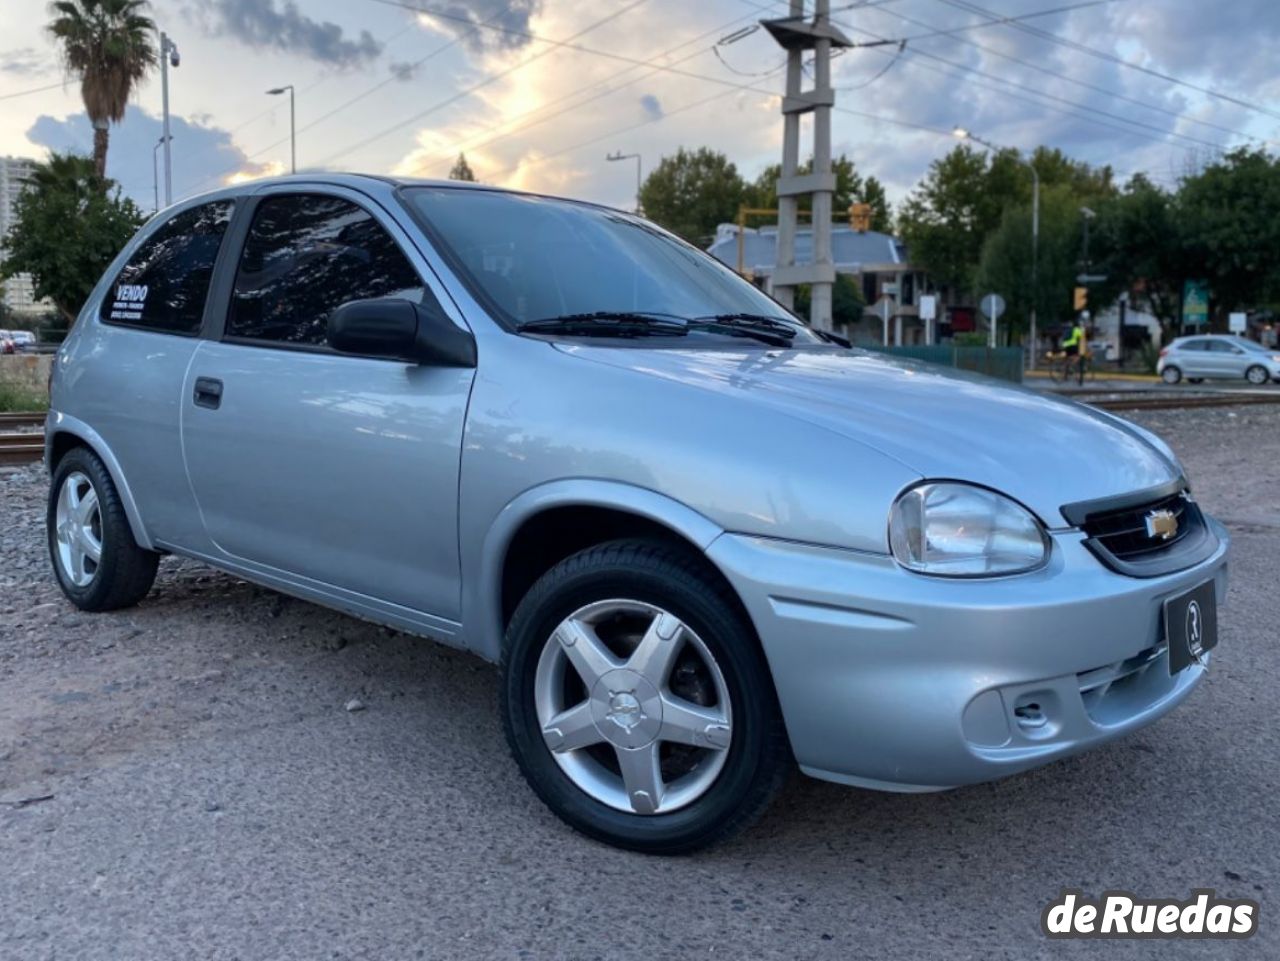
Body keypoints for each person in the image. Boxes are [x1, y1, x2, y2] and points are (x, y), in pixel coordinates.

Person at [1061, 314, 1088, 385]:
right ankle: (1072, 366)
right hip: (1072, 345)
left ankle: (1065, 376)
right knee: (1078, 356)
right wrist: (1083, 329)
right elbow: (1082, 336)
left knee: (1067, 359)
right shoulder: (1076, 330)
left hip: (1065, 345)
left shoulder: (1068, 329)